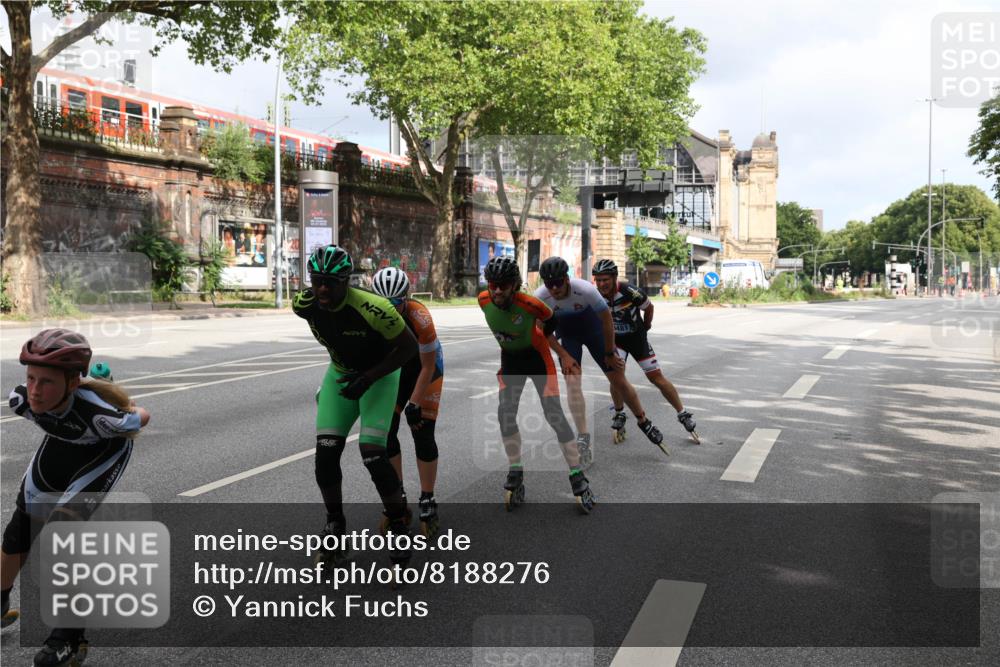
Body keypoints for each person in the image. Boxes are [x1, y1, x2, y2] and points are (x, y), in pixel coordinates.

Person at [1, 329, 150, 667]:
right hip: (61, 448)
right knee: (19, 529)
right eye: (31, 378)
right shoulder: (21, 401)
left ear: (72, 383)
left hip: (102, 453)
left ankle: (69, 638)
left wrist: (129, 410)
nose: (35, 390)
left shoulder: (100, 416)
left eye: (47, 382)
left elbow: (142, 417)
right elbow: (36, 399)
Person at [293, 245, 419, 570]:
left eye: (330, 283)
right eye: (317, 281)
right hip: (340, 374)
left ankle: (398, 525)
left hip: (380, 376)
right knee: (325, 455)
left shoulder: (374, 308)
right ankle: (335, 524)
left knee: (373, 453)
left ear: (346, 281)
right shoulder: (304, 305)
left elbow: (409, 348)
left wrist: (369, 377)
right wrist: (353, 376)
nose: (322, 289)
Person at [478, 255, 596, 513]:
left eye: (503, 285)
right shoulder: (483, 300)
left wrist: (553, 345)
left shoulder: (531, 305)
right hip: (511, 360)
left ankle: (577, 475)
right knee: (505, 414)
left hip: (537, 358)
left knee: (554, 414)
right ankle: (515, 471)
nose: (497, 291)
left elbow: (552, 322)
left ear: (514, 285)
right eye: (493, 285)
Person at [533, 256, 666, 464]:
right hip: (568, 337)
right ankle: (583, 437)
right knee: (572, 383)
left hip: (595, 332)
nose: (555, 288)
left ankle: (643, 420)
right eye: (550, 284)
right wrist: (564, 355)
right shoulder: (540, 297)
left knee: (617, 379)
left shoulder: (585, 289)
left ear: (567, 279)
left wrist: (610, 352)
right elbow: (542, 331)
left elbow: (606, 320)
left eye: (558, 282)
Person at [592, 259, 700, 445]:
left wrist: (646, 325)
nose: (602, 284)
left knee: (656, 378)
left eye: (605, 279)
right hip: (617, 341)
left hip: (637, 340)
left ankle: (682, 413)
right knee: (616, 377)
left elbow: (649, 307)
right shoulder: (594, 296)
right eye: (598, 280)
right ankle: (619, 413)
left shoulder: (630, 291)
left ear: (614, 278)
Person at [371, 267, 444, 537]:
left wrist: (414, 403)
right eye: (384, 304)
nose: (390, 309)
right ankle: (398, 495)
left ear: (406, 298)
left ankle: (427, 498)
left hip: (425, 369)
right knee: (386, 433)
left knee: (422, 432)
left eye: (396, 303)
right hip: (395, 373)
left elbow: (428, 366)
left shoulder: (419, 316)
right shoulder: (368, 315)